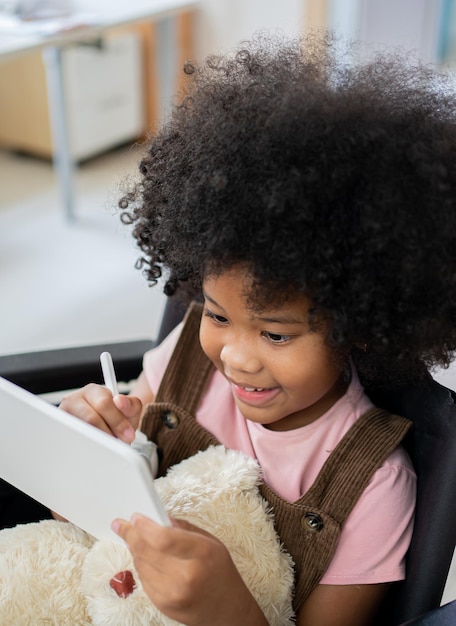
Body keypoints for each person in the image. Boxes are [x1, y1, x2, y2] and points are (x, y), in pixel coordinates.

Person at [59, 32, 456, 625]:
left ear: (360, 328)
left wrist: (225, 607)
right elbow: (99, 497)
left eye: (275, 334)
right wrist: (84, 446)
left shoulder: (373, 487)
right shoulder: (184, 361)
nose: (236, 357)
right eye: (217, 315)